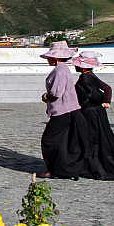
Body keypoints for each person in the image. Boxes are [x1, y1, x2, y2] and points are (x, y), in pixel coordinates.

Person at [71, 52, 114, 180]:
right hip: (98, 112)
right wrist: (107, 102)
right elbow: (108, 88)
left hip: (90, 112)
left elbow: (84, 98)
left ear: (83, 67)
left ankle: (95, 167)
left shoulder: (84, 78)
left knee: (92, 138)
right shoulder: (92, 76)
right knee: (101, 137)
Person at [37, 41, 91, 179]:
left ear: (56, 58)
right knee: (63, 140)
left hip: (62, 110)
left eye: (50, 57)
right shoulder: (63, 69)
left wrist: (45, 97)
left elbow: (56, 93)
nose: (48, 59)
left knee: (49, 139)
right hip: (68, 109)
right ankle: (64, 168)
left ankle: (52, 168)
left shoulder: (60, 71)